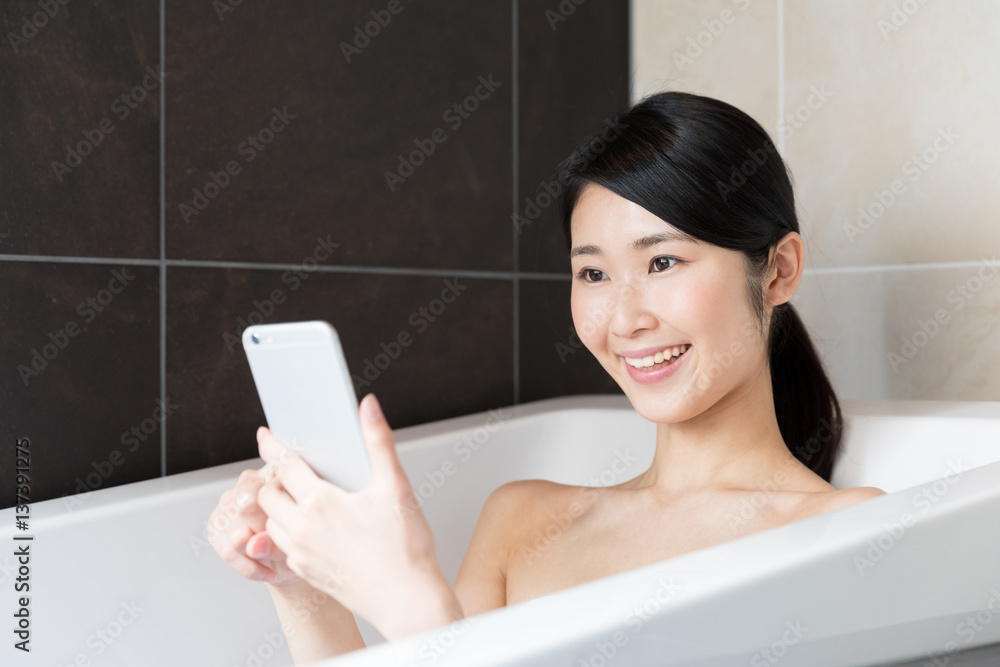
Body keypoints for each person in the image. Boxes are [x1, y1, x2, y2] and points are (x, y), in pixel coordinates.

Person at [207, 90, 886, 664]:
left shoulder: (844, 532)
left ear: (779, 270)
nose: (623, 319)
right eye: (593, 273)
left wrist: (408, 596)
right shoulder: (522, 520)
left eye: (663, 262)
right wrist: (300, 584)